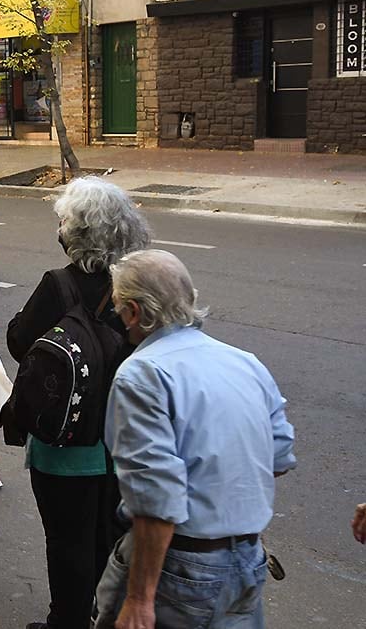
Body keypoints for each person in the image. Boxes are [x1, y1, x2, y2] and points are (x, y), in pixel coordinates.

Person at [95, 250, 297, 629]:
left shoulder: (141, 374)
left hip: (182, 567)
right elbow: (280, 455)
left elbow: (155, 500)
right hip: (247, 559)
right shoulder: (245, 362)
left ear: (135, 312)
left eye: (120, 309)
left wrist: (139, 600)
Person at [6, 177, 151, 629]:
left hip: (66, 444)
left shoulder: (59, 285)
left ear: (79, 231)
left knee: (66, 539)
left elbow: (19, 341)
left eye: (65, 220)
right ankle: (104, 612)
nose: (61, 227)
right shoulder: (139, 285)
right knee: (109, 536)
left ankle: (66, 620)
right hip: (123, 442)